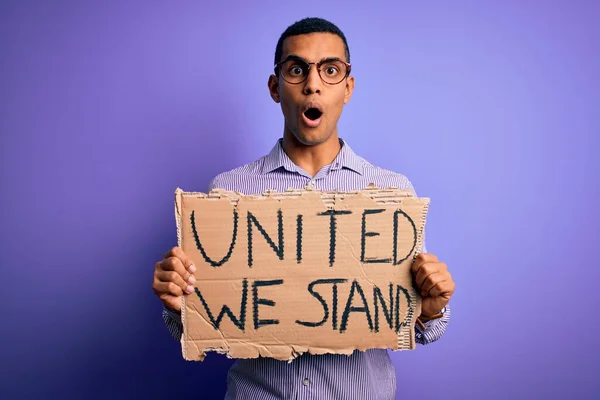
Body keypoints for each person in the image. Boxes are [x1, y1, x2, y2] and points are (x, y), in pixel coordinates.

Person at [152, 17, 455, 400]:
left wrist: (429, 309)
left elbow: (423, 328)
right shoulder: (228, 192)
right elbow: (197, 326)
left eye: (330, 70)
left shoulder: (392, 195)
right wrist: (179, 304)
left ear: (348, 88)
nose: (313, 84)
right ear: (276, 88)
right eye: (297, 70)